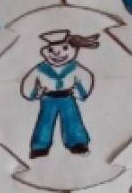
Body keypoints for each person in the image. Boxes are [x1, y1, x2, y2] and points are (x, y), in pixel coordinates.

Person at [20, 29, 99, 159]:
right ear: (46, 51)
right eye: (51, 50)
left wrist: (80, 92)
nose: (57, 54)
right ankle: (40, 146)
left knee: (72, 120)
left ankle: (78, 143)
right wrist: (33, 93)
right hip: (48, 98)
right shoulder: (40, 69)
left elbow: (85, 78)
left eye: (64, 48)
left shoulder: (75, 68)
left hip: (67, 97)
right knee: (45, 121)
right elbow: (30, 82)